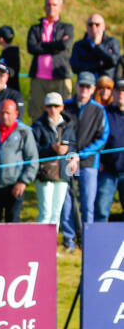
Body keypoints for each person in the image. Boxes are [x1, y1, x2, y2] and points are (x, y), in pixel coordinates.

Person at [61, 72, 108, 249]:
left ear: (93, 89)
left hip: (89, 163)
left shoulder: (98, 110)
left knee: (88, 203)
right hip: (68, 160)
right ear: (77, 86)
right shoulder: (65, 107)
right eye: (82, 86)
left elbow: (102, 138)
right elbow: (61, 134)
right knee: (67, 202)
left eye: (88, 87)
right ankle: (69, 239)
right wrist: (70, 155)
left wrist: (82, 154)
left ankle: (88, 240)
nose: (84, 90)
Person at [27, 0, 74, 121]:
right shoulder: (35, 28)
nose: (51, 7)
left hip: (60, 77)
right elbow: (31, 47)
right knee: (37, 114)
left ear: (60, 7)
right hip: (38, 79)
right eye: (48, 4)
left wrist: (42, 44)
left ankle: (62, 139)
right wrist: (54, 46)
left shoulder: (67, 28)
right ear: (44, 6)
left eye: (54, 5)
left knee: (62, 114)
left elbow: (64, 45)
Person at [31, 94, 75, 228]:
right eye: (50, 106)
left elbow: (74, 144)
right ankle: (41, 247)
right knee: (45, 212)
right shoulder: (38, 125)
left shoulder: (68, 124)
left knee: (56, 214)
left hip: (62, 172)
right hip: (45, 173)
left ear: (62, 107)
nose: (53, 109)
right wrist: (52, 148)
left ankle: (50, 248)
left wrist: (70, 153)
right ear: (45, 107)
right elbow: (33, 150)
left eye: (56, 106)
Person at [0, 99, 37, 222]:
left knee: (13, 222)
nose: (4, 116)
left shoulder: (24, 132)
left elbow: (32, 159)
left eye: (8, 113)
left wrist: (23, 181)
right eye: (1, 113)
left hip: (15, 185)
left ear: (16, 114)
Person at [94, 81, 124, 220]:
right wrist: (98, 160)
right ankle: (99, 241)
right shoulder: (104, 112)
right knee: (101, 209)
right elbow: (97, 137)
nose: (121, 94)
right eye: (118, 90)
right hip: (108, 169)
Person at [71, 15, 120, 80]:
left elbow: (114, 61)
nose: (93, 27)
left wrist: (98, 46)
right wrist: (98, 65)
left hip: (106, 83)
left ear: (103, 27)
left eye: (97, 24)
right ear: (86, 27)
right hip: (86, 84)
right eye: (90, 24)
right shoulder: (79, 45)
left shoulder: (112, 42)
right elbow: (75, 67)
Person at [0, 25, 22, 93]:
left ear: (1, 39)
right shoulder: (7, 52)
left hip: (11, 89)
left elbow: (12, 71)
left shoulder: (12, 53)